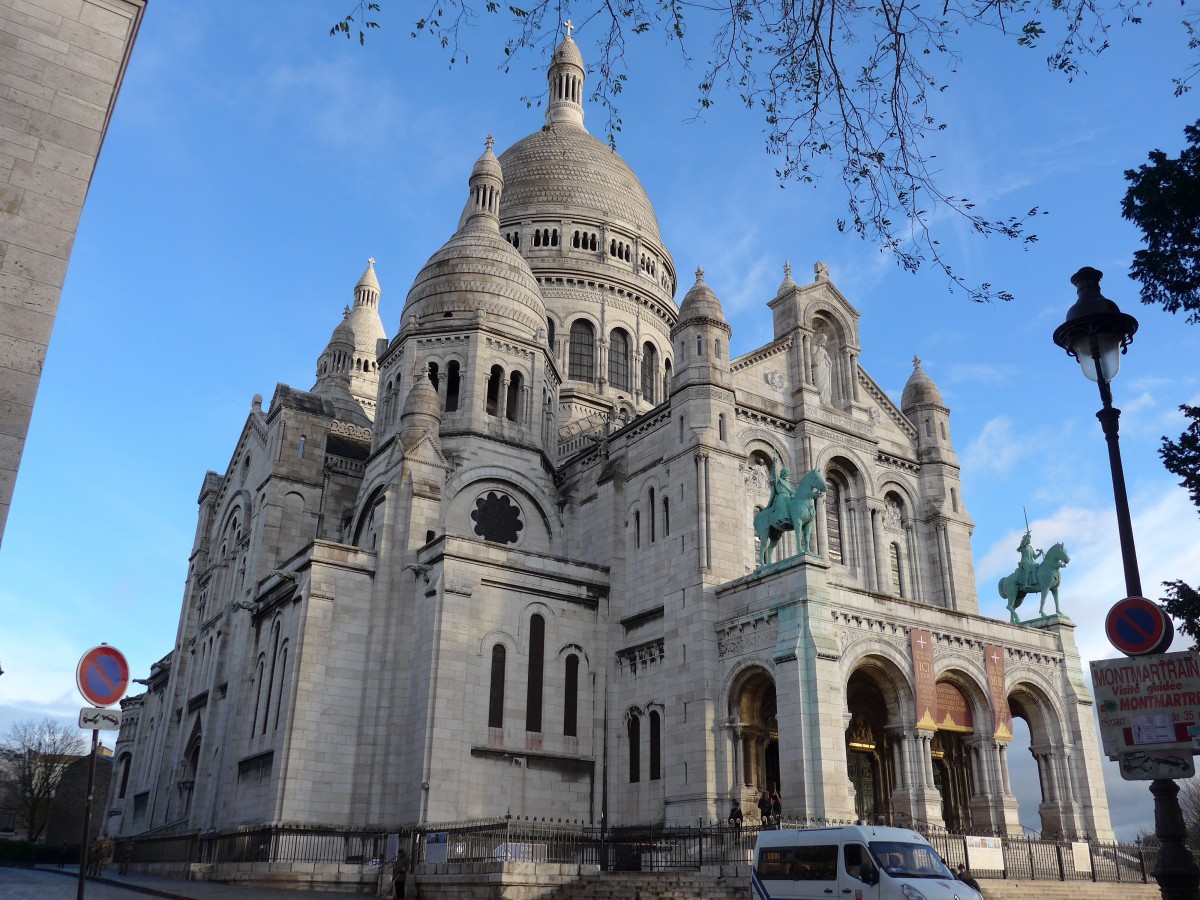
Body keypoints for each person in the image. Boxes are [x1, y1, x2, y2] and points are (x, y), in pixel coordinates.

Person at [812, 333, 833, 404]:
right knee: (818, 384)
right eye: (823, 340)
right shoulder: (814, 347)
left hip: (825, 368)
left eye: (825, 340)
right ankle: (820, 399)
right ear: (819, 339)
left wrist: (829, 363)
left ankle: (825, 400)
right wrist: (818, 350)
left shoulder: (824, 351)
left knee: (825, 385)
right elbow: (813, 359)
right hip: (817, 367)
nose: (824, 342)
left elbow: (829, 361)